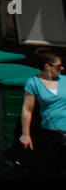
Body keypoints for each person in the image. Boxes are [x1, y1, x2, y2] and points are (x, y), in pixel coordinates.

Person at [20, 46, 66, 178]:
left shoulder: (65, 81)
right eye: (58, 66)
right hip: (51, 135)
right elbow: (27, 109)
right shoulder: (33, 83)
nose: (62, 69)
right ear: (47, 66)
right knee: (54, 170)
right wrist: (25, 134)